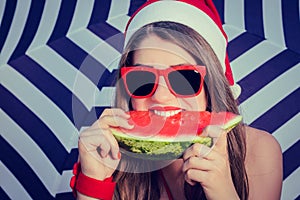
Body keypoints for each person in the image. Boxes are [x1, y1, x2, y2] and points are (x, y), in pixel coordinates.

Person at [70, 0, 283, 199]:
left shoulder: (259, 153)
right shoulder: (113, 159)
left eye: (183, 78)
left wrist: (223, 191)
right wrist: (93, 183)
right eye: (141, 79)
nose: (161, 96)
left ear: (213, 87)